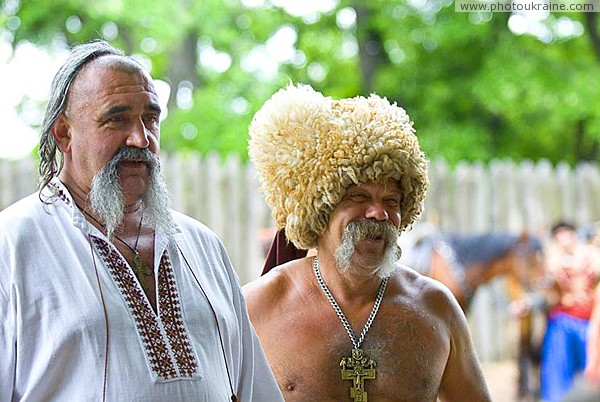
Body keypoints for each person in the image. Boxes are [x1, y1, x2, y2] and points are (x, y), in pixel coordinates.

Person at [0, 40, 283, 401]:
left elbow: (254, 389)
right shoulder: (12, 246)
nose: (141, 138)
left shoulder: (202, 245)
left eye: (150, 118)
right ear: (64, 133)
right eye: (116, 118)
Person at [243, 83, 492, 401]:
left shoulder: (436, 308)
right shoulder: (258, 307)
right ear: (320, 209)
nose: (378, 213)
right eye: (358, 196)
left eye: (391, 200)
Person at [540, 221, 600, 402]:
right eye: (558, 236)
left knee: (592, 372)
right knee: (557, 373)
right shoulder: (550, 260)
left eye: (566, 234)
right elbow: (544, 290)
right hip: (563, 321)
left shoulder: (592, 255)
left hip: (590, 322)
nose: (563, 239)